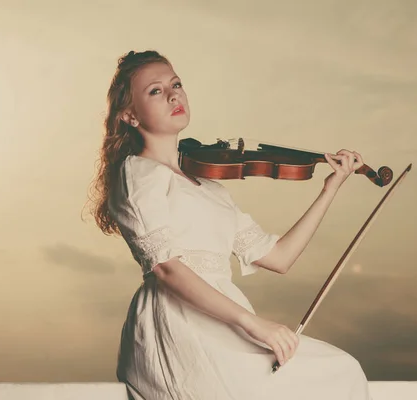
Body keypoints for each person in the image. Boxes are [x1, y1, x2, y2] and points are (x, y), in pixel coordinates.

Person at [86, 50, 372, 400]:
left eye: (176, 84)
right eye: (155, 91)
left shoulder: (212, 189)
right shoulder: (138, 173)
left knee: (341, 369)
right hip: (179, 325)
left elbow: (280, 257)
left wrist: (330, 188)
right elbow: (166, 269)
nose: (174, 95)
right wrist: (255, 324)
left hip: (228, 322)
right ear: (130, 115)